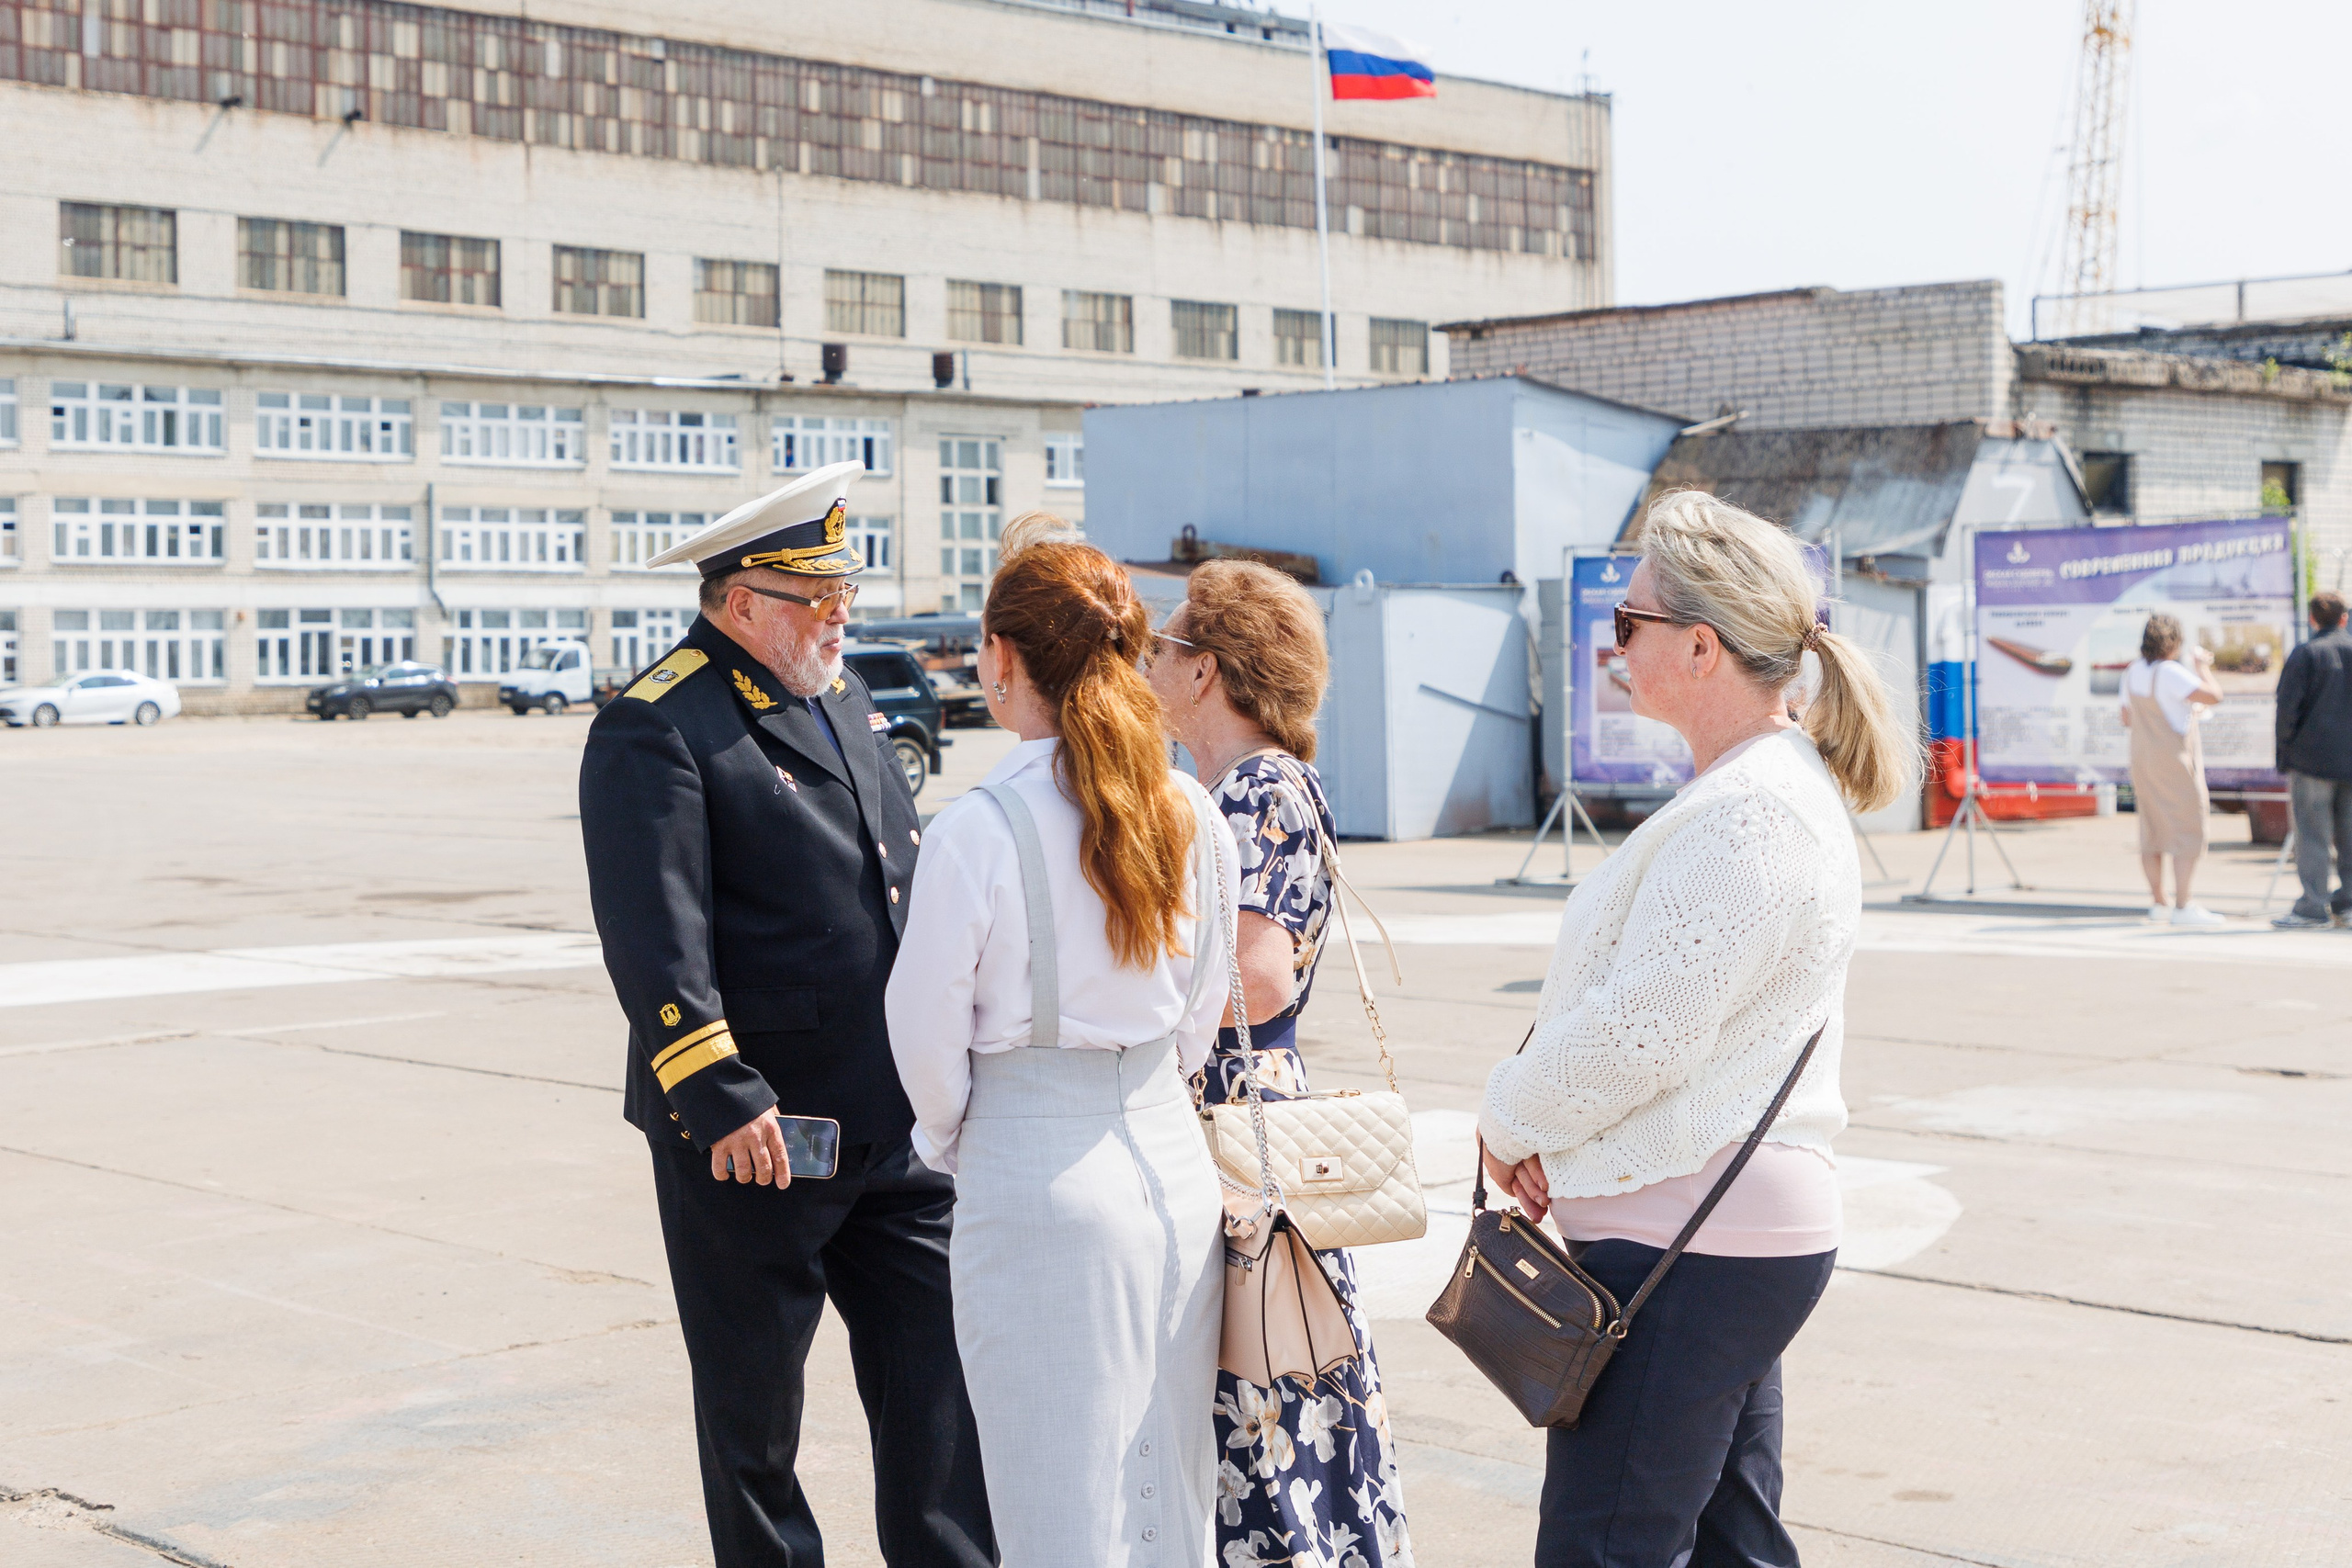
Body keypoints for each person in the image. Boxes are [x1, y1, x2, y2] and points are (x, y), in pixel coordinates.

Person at [1478, 491, 1914, 1568]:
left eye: (1628, 624)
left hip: (1692, 1237)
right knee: (1729, 1544)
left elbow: (1642, 1032)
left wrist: (1508, 1118)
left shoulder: (1751, 810)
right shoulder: (1751, 792)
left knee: (1606, 1547)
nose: (1613, 644)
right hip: (1704, 1228)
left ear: (1702, 648)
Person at [578, 461, 995, 1568]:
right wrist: (716, 1094)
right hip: (757, 1134)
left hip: (895, 1122)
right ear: (741, 601)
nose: (841, 613)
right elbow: (653, 933)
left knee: (937, 1391)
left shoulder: (842, 694)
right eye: (818, 597)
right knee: (757, 1418)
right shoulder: (659, 724)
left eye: (843, 592)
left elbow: (892, 888)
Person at [886, 519, 1239, 1568]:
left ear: (1000, 659)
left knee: (1054, 1499)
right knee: (1169, 1489)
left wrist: (958, 1135)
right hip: (1170, 1161)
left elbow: (923, 1031)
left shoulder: (976, 827)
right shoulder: (1186, 808)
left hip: (1036, 1163)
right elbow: (1202, 1005)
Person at [1142, 558, 1416, 1568]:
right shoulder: (1243, 786)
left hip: (1238, 1126)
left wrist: (1120, 1006)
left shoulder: (1256, 789)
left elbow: (1252, 983)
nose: (1150, 665)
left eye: (1164, 648)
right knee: (1271, 1379)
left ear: (1207, 671)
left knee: (1265, 1383)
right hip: (1245, 1118)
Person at [2119, 613, 2226, 926]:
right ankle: (2183, 904)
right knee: (2187, 827)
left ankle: (2158, 902)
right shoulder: (2170, 672)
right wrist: (2203, 667)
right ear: (2174, 642)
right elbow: (2214, 696)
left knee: (2151, 830)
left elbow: (2126, 717)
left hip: (2142, 758)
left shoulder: (2132, 671)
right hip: (2173, 759)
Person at [2272, 590, 2352, 929]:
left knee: (2313, 836)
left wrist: (2283, 753)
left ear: (2312, 618)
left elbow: (2287, 709)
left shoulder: (2306, 654)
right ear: (2345, 618)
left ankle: (2313, 906)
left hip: (2312, 761)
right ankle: (2348, 904)